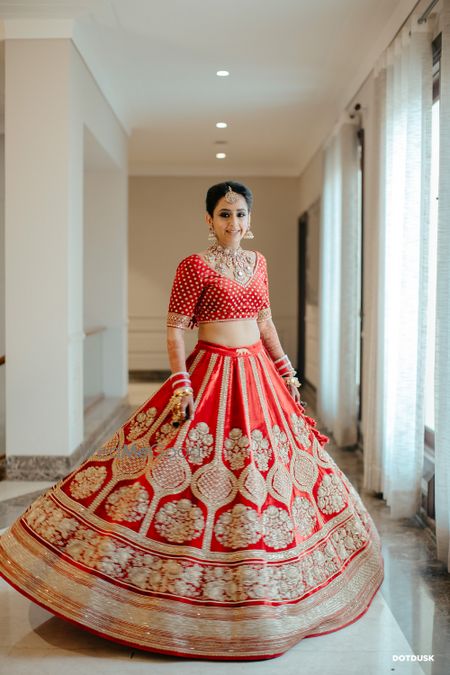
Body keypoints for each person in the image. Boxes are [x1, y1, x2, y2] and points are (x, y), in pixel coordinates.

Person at [0, 180, 384, 661]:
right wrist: (181, 381)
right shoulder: (194, 265)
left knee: (269, 476)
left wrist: (285, 368)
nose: (233, 223)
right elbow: (176, 328)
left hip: (258, 376)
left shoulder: (258, 262)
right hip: (211, 374)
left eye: (240, 214)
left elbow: (264, 320)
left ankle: (267, 582)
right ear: (208, 219)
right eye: (224, 214)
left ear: (250, 218)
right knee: (175, 472)